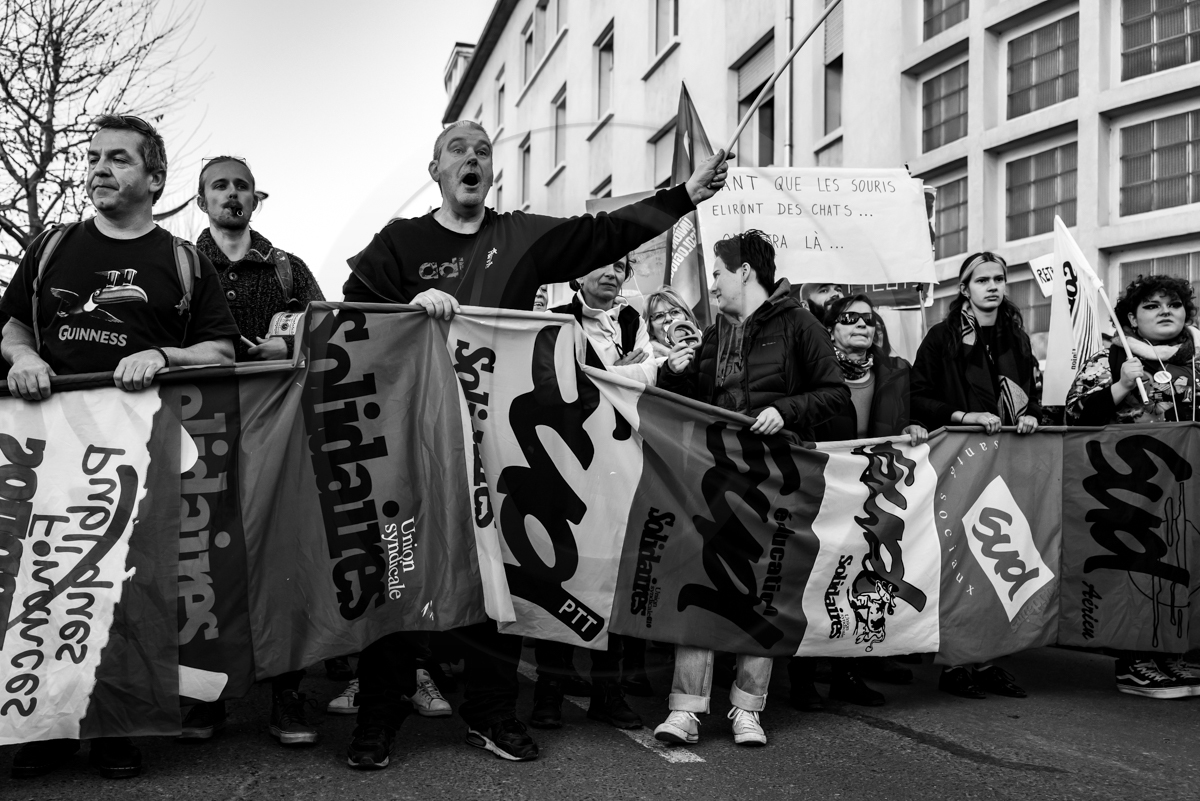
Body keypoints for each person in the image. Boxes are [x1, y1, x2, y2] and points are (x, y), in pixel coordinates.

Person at [339, 119, 730, 766]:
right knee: (400, 569)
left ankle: (492, 713)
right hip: (414, 439)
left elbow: (606, 232)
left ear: (493, 173)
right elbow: (355, 309)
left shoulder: (520, 236)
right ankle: (379, 714)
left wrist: (684, 193)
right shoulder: (401, 240)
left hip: (498, 446)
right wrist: (414, 298)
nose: (471, 157)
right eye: (456, 150)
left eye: (482, 150)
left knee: (499, 576)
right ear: (434, 172)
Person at [2, 114, 238, 779]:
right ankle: (47, 726)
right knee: (46, 582)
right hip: (50, 449)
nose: (100, 168)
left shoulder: (182, 260)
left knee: (127, 591)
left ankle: (116, 729)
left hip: (138, 452)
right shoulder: (53, 247)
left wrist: (162, 353)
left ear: (155, 179)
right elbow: (15, 325)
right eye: (93, 156)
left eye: (119, 159)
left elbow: (219, 348)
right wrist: (22, 356)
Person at [654, 230, 849, 747]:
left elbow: (834, 394)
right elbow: (691, 395)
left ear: (745, 272)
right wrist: (675, 374)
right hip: (715, 476)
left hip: (777, 477)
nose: (712, 284)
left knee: (764, 592)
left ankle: (747, 709)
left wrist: (782, 410)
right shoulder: (716, 333)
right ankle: (686, 710)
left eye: (718, 272)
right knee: (701, 585)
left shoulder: (800, 325)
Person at [177, 155, 336, 746]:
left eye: (241, 185)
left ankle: (288, 695)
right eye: (220, 186)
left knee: (283, 558)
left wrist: (287, 340)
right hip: (201, 431)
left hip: (281, 435)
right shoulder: (180, 266)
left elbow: (327, 327)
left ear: (257, 198)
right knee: (202, 559)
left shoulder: (288, 269)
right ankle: (205, 695)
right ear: (202, 201)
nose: (232, 194)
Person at [530, 255, 656, 731]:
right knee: (561, 574)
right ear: (576, 275)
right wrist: (626, 372)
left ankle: (609, 692)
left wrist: (617, 374)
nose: (611, 273)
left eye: (620, 267)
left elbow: (656, 370)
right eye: (600, 265)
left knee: (615, 577)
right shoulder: (556, 320)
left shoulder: (631, 319)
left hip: (621, 466)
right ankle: (550, 691)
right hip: (568, 462)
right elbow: (558, 384)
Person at [789, 294, 928, 710]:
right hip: (823, 492)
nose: (862, 325)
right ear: (831, 327)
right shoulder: (814, 370)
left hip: (872, 495)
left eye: (869, 320)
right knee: (816, 581)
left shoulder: (896, 372)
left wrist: (914, 426)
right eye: (850, 318)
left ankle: (847, 674)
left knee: (859, 581)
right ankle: (802, 680)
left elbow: (911, 415)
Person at [1065, 273, 1200, 699]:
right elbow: (1072, 416)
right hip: (1130, 488)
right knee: (1138, 568)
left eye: (1174, 304)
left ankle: (1173, 651)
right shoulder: (1110, 358)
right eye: (1153, 305)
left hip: (1187, 490)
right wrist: (1121, 386)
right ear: (1131, 318)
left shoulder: (1199, 359)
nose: (1166, 311)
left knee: (1183, 566)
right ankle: (1133, 660)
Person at [911, 251, 1037, 700]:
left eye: (999, 278)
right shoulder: (942, 338)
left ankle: (987, 660)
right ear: (964, 288)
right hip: (960, 463)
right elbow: (918, 397)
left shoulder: (1015, 339)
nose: (993, 286)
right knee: (960, 560)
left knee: (998, 557)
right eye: (981, 279)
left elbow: (1032, 394)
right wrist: (962, 414)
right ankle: (956, 662)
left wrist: (1030, 417)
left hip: (1006, 463)